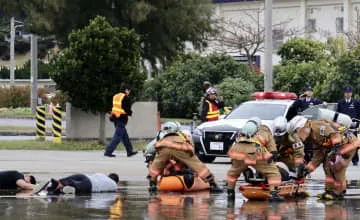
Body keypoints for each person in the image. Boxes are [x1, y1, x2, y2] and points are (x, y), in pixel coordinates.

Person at [287, 116, 360, 200]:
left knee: (337, 167)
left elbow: (333, 133)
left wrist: (335, 146)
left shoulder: (317, 127)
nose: (297, 136)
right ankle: (329, 191)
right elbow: (318, 156)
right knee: (327, 166)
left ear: (302, 127)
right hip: (338, 147)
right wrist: (307, 170)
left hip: (348, 144)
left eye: (297, 132)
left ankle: (339, 192)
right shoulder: (312, 136)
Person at [147, 122, 223, 193]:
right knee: (197, 165)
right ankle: (212, 183)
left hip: (164, 148)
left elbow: (151, 151)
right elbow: (191, 150)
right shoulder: (184, 134)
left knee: (156, 165)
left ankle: (152, 184)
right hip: (180, 147)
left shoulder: (160, 136)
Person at [226, 117, 285, 202]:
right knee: (273, 172)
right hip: (255, 150)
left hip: (237, 150)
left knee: (233, 173)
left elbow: (233, 143)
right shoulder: (265, 130)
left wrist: (243, 168)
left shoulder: (242, 131)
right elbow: (272, 149)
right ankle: (274, 194)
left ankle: (230, 192)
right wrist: (272, 156)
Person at [104, 84, 137, 157]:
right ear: (126, 90)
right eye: (129, 90)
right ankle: (108, 151)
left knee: (125, 136)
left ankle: (129, 151)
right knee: (118, 136)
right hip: (121, 118)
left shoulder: (116, 96)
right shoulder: (125, 97)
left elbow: (113, 107)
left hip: (115, 118)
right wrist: (130, 113)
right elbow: (126, 108)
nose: (129, 92)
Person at [32, 173, 120, 195]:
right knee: (76, 186)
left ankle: (52, 183)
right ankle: (67, 188)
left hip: (84, 176)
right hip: (90, 185)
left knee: (66, 179)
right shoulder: (114, 185)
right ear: (116, 181)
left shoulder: (102, 175)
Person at [336, 85, 360, 166]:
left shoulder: (356, 102)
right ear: (344, 93)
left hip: (353, 126)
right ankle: (343, 158)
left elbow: (359, 114)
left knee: (354, 143)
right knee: (342, 143)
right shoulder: (340, 102)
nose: (348, 94)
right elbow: (337, 114)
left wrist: (357, 123)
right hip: (343, 126)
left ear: (351, 93)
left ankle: (355, 160)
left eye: (349, 93)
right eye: (346, 93)